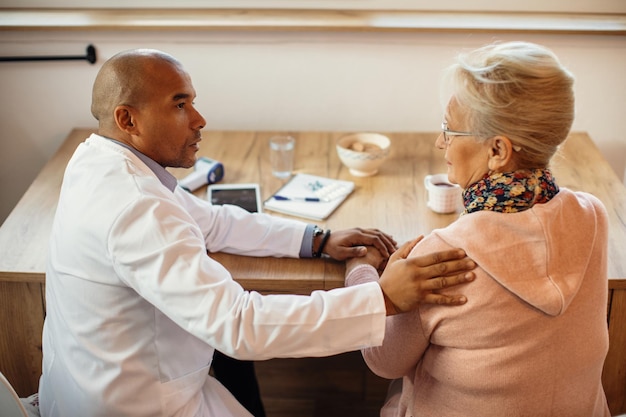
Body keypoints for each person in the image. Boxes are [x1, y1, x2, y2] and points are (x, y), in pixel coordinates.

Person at [38, 48, 477, 417]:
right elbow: (241, 325)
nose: (199, 118)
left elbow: (211, 220)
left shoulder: (102, 159)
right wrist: (384, 298)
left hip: (92, 379)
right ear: (128, 119)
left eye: (192, 101)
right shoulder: (136, 207)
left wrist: (317, 240)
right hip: (138, 406)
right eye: (179, 104)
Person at [345, 41, 610, 416]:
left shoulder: (441, 255)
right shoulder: (594, 217)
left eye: (449, 130)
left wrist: (362, 272)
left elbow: (383, 360)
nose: (440, 142)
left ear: (498, 151)